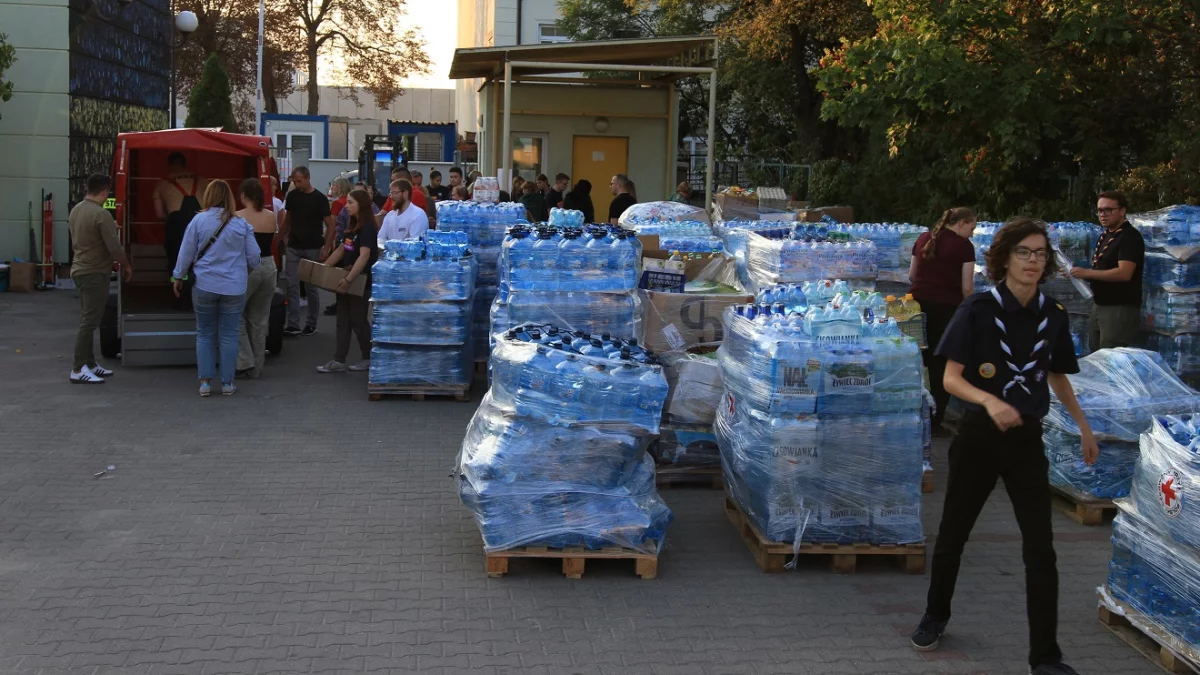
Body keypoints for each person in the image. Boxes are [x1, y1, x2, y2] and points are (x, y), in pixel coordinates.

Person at [910, 218, 1097, 675]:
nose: (1034, 261)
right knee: (954, 533)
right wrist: (989, 401)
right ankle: (935, 615)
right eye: (1024, 253)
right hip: (978, 437)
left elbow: (1056, 375)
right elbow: (951, 379)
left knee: (1041, 548)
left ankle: (1046, 657)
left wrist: (1084, 426)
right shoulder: (976, 310)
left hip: (1026, 440)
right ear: (1003, 258)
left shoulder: (1052, 315)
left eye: (1040, 254)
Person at [171, 180, 261, 397]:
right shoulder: (241, 224)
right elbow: (255, 257)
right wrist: (241, 271)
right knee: (229, 335)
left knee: (204, 333)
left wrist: (178, 276)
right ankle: (228, 383)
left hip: (204, 285)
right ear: (229, 197)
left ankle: (205, 383)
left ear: (208, 196)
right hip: (234, 287)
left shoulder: (198, 220)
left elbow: (186, 252)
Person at [908, 206, 977, 434]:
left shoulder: (924, 238)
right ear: (962, 223)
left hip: (916, 308)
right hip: (946, 310)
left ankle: (913, 412)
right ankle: (935, 421)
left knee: (919, 360)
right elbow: (967, 287)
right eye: (972, 227)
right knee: (942, 364)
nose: (973, 233)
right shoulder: (964, 247)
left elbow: (911, 274)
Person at [67, 173, 134, 384]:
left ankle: (91, 364)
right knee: (89, 322)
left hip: (79, 270)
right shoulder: (101, 214)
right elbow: (114, 248)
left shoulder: (77, 210)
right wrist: (126, 265)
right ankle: (78, 369)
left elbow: (89, 236)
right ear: (104, 190)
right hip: (95, 272)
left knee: (87, 318)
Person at [1069, 191, 1145, 349]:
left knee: (1111, 358)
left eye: (1108, 210)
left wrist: (1087, 273)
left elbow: (1124, 273)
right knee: (1096, 357)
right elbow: (1101, 270)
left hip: (1119, 308)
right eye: (1099, 210)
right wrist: (1077, 273)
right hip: (1099, 305)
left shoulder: (1129, 237)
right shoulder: (1106, 236)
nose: (1103, 214)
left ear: (1122, 211)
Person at [317, 189, 377, 373]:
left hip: (360, 280)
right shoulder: (353, 226)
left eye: (351, 202)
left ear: (361, 205)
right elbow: (342, 250)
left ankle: (368, 357)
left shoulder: (367, 227)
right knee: (343, 320)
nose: (347, 206)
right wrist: (323, 269)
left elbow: (364, 256)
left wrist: (349, 279)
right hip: (346, 277)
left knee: (358, 320)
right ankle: (339, 360)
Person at [233, 179, 279, 379]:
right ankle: (257, 368)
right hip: (269, 266)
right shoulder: (271, 217)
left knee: (233, 314)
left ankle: (245, 360)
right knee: (260, 319)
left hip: (246, 267)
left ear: (244, 196)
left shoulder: (238, 217)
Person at [280, 166, 334, 337]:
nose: (297, 184)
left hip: (312, 246)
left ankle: (311, 323)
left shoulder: (319, 198)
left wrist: (326, 247)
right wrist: (282, 239)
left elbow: (330, 224)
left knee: (311, 287)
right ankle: (293, 323)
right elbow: (288, 220)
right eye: (295, 181)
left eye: (299, 181)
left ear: (308, 178)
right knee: (292, 285)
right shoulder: (292, 196)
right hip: (294, 246)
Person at [155, 152, 207, 282]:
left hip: (176, 225)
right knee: (202, 258)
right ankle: (197, 287)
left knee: (176, 259)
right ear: (185, 164)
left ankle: (178, 289)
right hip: (202, 223)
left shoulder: (162, 183)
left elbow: (159, 214)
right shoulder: (202, 179)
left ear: (170, 166)